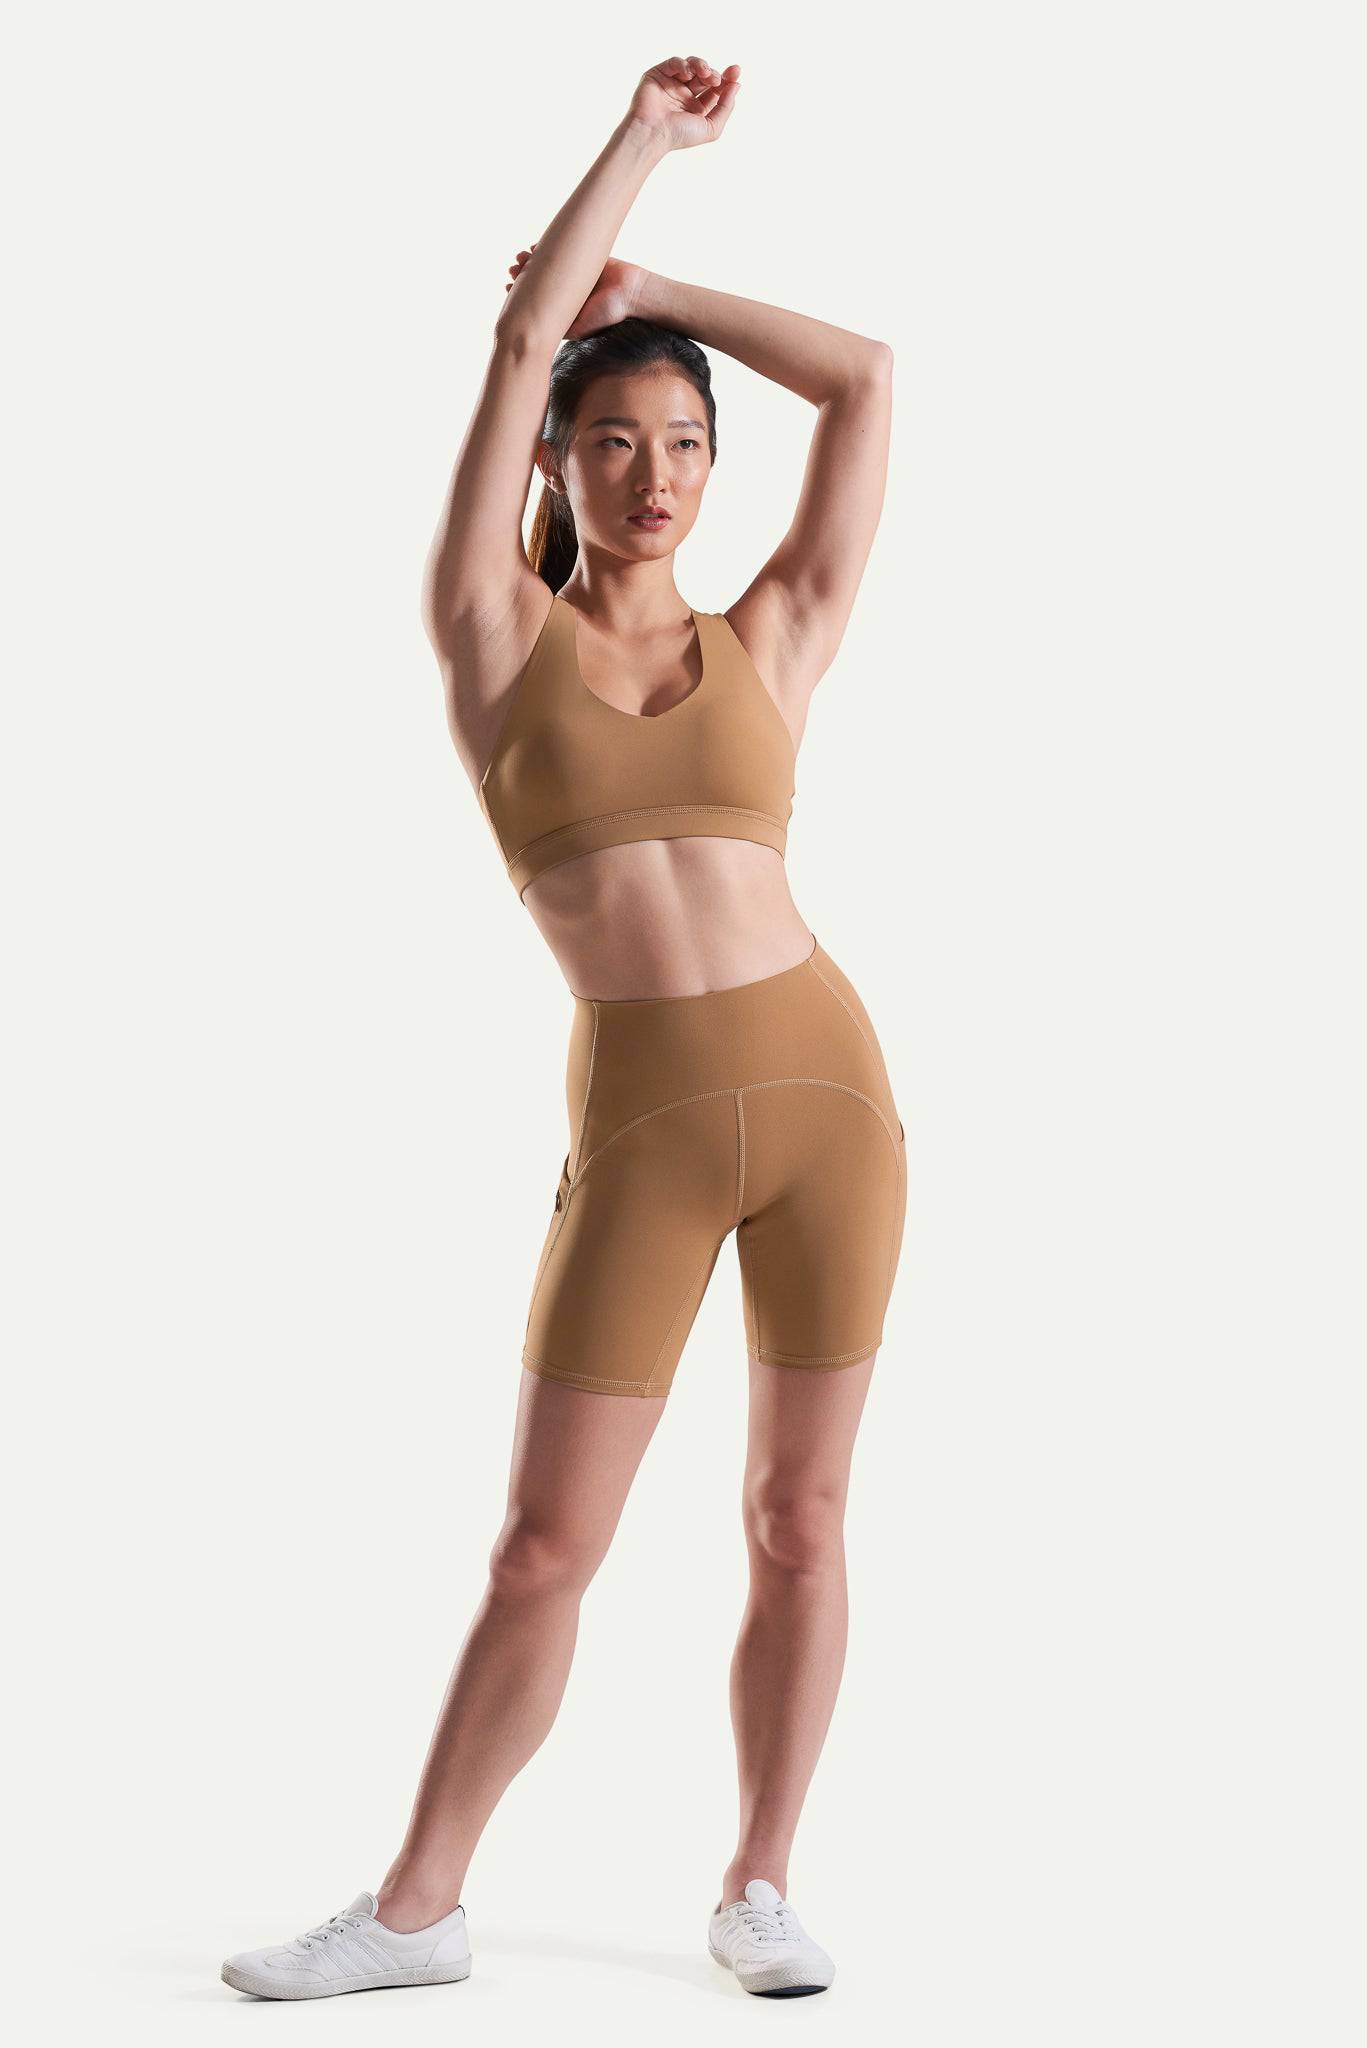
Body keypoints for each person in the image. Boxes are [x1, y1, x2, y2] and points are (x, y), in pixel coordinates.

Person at [221, 53, 904, 2005]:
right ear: (551, 462)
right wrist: (638, 160)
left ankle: (761, 1883)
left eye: (682, 442)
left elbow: (867, 377)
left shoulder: (775, 637)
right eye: (610, 441)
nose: (654, 472)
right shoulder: (490, 636)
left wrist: (664, 294)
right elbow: (522, 334)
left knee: (799, 1515)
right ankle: (416, 1907)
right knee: (543, 1547)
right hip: (649, 1127)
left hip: (836, 1107)